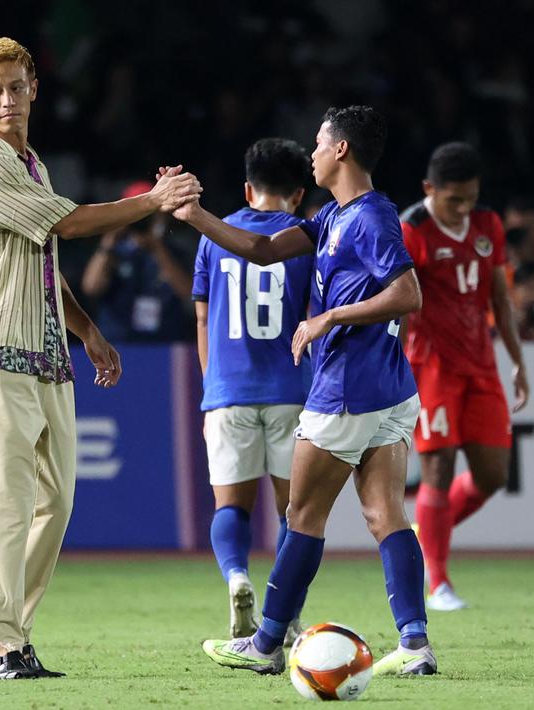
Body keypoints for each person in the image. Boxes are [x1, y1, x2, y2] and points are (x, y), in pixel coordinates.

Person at [0, 37, 200, 680]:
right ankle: (0, 640)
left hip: (47, 360)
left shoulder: (32, 165)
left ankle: (16, 631)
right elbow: (65, 227)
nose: (8, 98)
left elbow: (45, 259)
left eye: (17, 86)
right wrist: (150, 201)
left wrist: (87, 329)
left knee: (54, 507)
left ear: (34, 89)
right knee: (4, 510)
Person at [179, 106, 437, 677]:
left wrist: (328, 318)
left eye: (320, 142)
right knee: (385, 513)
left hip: (348, 388)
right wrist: (195, 216)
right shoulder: (333, 217)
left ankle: (266, 644)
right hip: (391, 390)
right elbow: (262, 250)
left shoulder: (370, 218)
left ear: (342, 150)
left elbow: (408, 293)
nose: (313, 151)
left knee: (302, 513)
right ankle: (416, 645)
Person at [191, 138, 314, 639]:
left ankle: (237, 576)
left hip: (228, 392)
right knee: (296, 513)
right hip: (291, 389)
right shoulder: (305, 237)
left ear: (247, 189)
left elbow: (201, 317)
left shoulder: (214, 235)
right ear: (299, 194)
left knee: (231, 507)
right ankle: (287, 614)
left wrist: (211, 384)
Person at [401, 142, 529, 611]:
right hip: (431, 365)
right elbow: (400, 306)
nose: (463, 209)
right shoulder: (412, 229)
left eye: (470, 198)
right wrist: (395, 369)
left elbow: (499, 296)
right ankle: (437, 583)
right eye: (454, 199)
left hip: (481, 364)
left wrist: (517, 361)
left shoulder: (487, 224)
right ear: (429, 189)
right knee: (438, 468)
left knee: (493, 475)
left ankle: (425, 535)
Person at [81, 181, 196, 342]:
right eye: (136, 213)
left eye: (148, 213)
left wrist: (157, 247)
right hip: (118, 343)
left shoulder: (174, 252)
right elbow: (91, 288)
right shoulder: (113, 251)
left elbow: (188, 293)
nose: (141, 220)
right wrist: (109, 239)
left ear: (161, 214)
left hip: (164, 345)